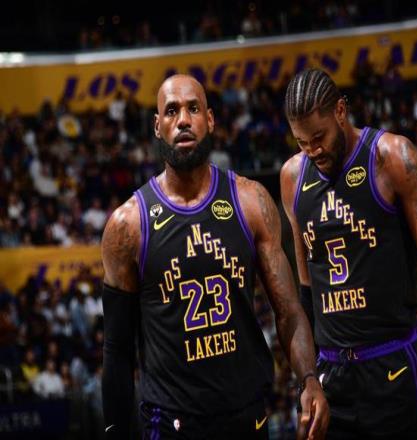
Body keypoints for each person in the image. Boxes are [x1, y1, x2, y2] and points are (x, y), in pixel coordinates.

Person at [101, 74, 329, 439]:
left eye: (193, 108)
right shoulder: (128, 226)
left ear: (210, 119)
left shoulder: (251, 201)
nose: (183, 120)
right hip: (171, 424)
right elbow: (117, 349)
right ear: (157, 126)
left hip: (247, 416)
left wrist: (309, 380)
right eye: (171, 111)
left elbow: (288, 311)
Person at [280, 68, 417, 440]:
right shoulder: (292, 177)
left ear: (340, 111)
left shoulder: (392, 156)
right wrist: (308, 380)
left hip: (392, 365)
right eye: (302, 142)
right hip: (332, 375)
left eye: (319, 137)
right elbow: (306, 290)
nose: (313, 150)